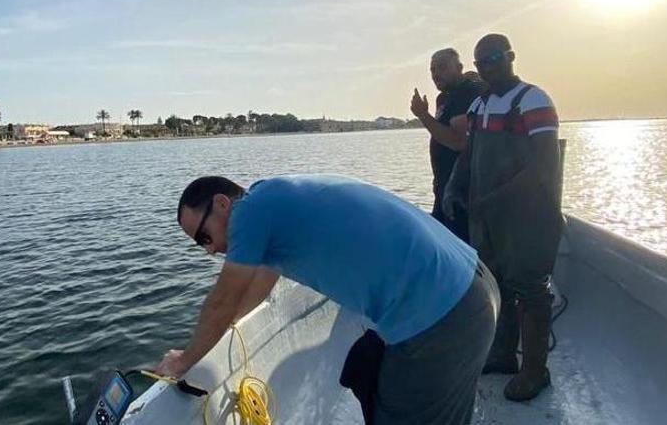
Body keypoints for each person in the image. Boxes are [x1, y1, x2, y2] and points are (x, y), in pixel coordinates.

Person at [156, 174, 498, 424]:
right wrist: (223, 331)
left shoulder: (250, 212)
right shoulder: (274, 206)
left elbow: (222, 301)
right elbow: (252, 291)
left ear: (222, 203)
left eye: (204, 236)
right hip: (471, 287)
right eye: (201, 245)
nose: (210, 249)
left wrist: (184, 360)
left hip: (443, 316)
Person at [444, 33, 563, 402]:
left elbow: (544, 164)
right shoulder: (480, 106)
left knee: (530, 290)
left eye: (494, 58)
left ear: (510, 56)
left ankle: (535, 370)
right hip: (488, 220)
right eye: (481, 63)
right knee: (496, 285)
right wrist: (453, 188)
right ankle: (502, 354)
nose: (488, 67)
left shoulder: (533, 101)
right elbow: (468, 154)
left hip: (527, 220)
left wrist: (494, 200)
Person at [410, 48, 487, 242]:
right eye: (433, 69)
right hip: (443, 190)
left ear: (460, 68)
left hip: (461, 194)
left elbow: (458, 141)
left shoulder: (467, 92)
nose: (436, 74)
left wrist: (423, 115)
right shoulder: (444, 98)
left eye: (442, 68)